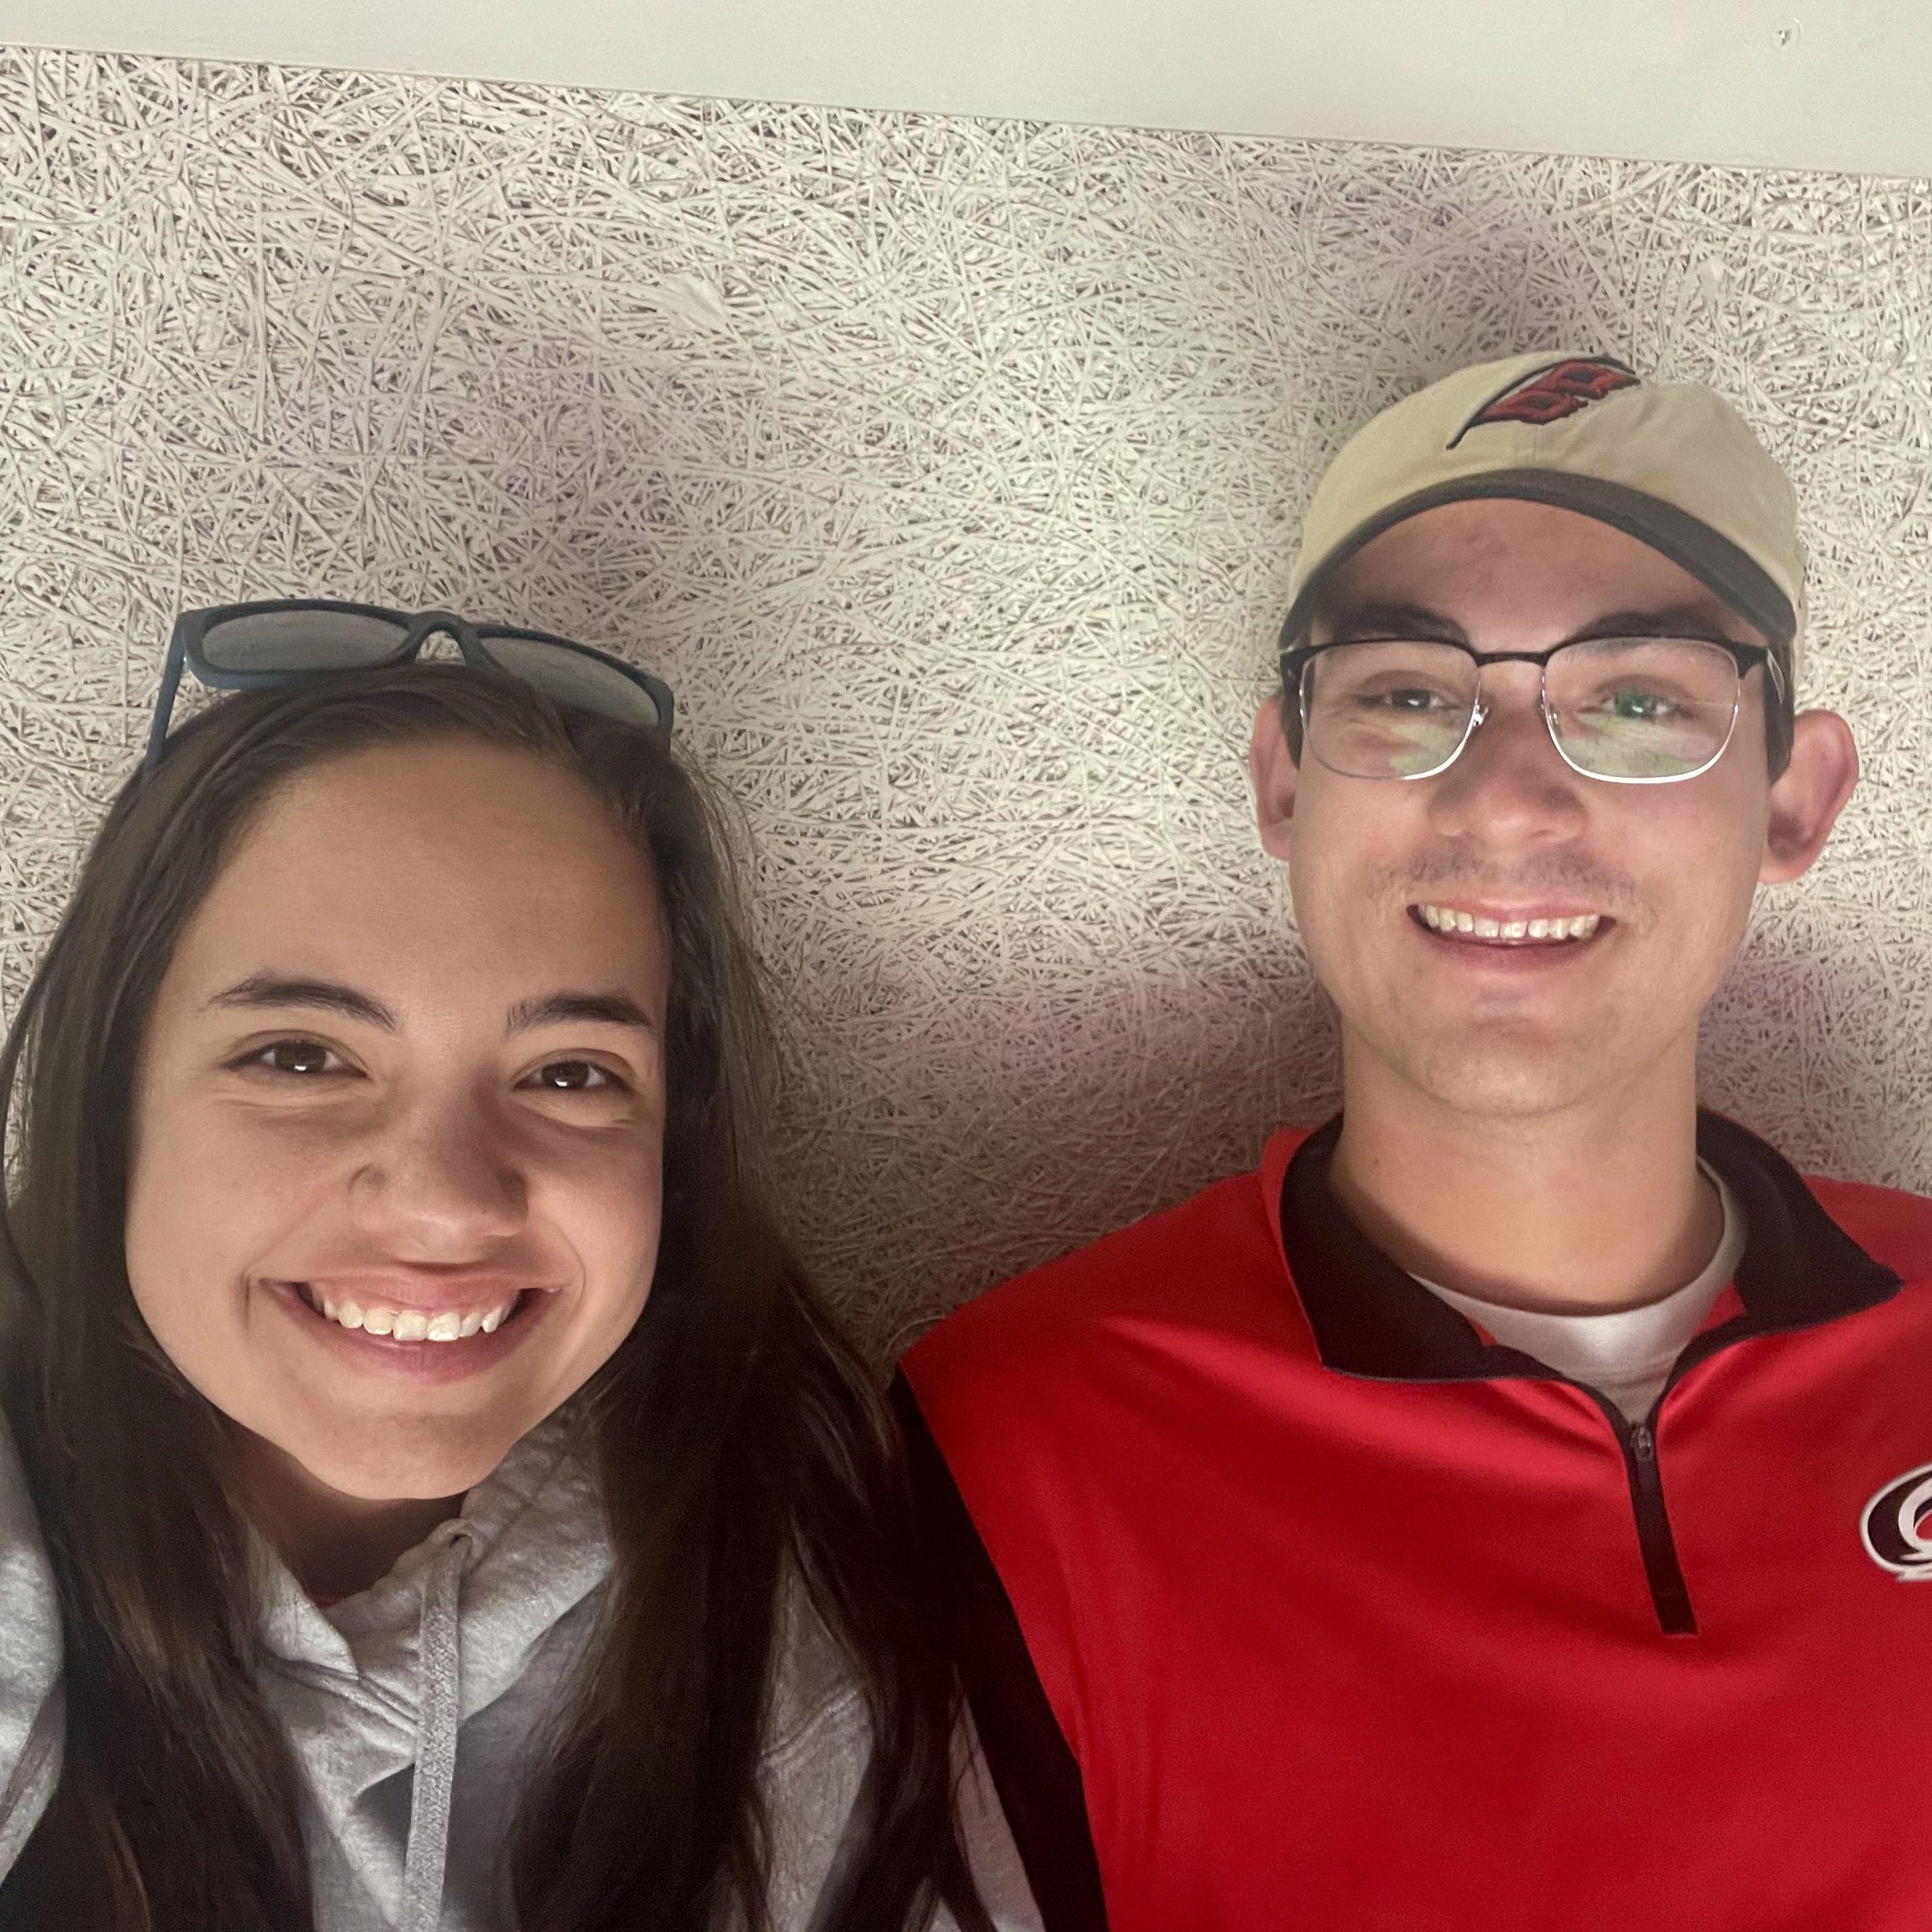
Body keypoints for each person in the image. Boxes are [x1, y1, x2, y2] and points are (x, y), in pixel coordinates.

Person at [899, 353, 1932, 1930]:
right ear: (1282, 783)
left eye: (1639, 701)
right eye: (1406, 694)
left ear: (1795, 800)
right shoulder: (1013, 1444)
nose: (1508, 798)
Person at [0, 604, 1036, 1930]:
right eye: (301, 1055)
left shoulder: (781, 1601)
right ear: (111, 1103)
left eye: (568, 1073)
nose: (443, 1201)